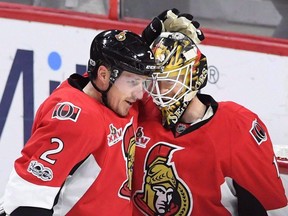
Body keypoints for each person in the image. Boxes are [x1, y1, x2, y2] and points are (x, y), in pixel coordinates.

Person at [0, 29, 156, 215]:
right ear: (104, 75)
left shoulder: (115, 97)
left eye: (142, 83)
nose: (140, 94)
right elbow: (26, 198)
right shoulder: (78, 119)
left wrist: (145, 42)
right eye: (133, 82)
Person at [132, 30, 288, 215]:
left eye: (167, 81)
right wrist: (139, 46)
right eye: (153, 81)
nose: (157, 90)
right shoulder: (137, 110)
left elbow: (270, 208)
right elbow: (96, 94)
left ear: (194, 76)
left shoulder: (235, 127)